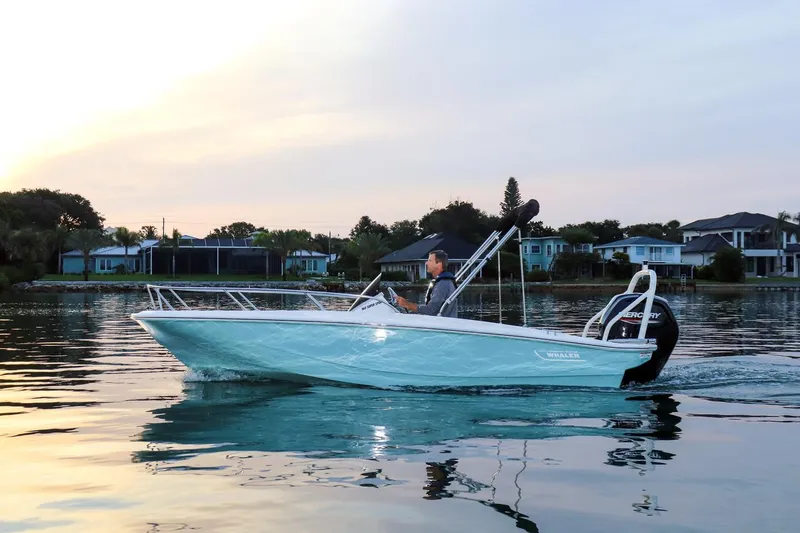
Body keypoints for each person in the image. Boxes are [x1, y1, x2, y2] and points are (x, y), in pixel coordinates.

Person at [395, 250, 458, 318]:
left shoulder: (443, 284)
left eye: (430, 261)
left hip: (440, 325)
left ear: (439, 264)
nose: (426, 263)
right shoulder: (443, 282)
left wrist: (407, 304)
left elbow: (430, 310)